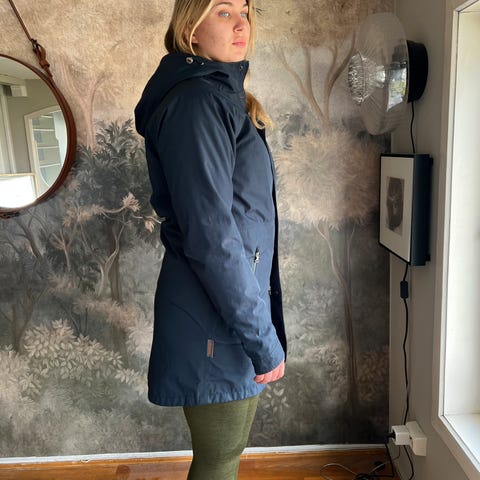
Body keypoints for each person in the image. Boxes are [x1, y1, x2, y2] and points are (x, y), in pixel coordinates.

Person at [134, 0, 287, 478]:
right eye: (223, 11)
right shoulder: (197, 102)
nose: (242, 23)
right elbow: (211, 237)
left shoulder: (220, 97)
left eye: (245, 10)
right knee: (219, 460)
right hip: (214, 317)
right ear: (191, 30)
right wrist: (262, 339)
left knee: (223, 455)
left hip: (225, 309)